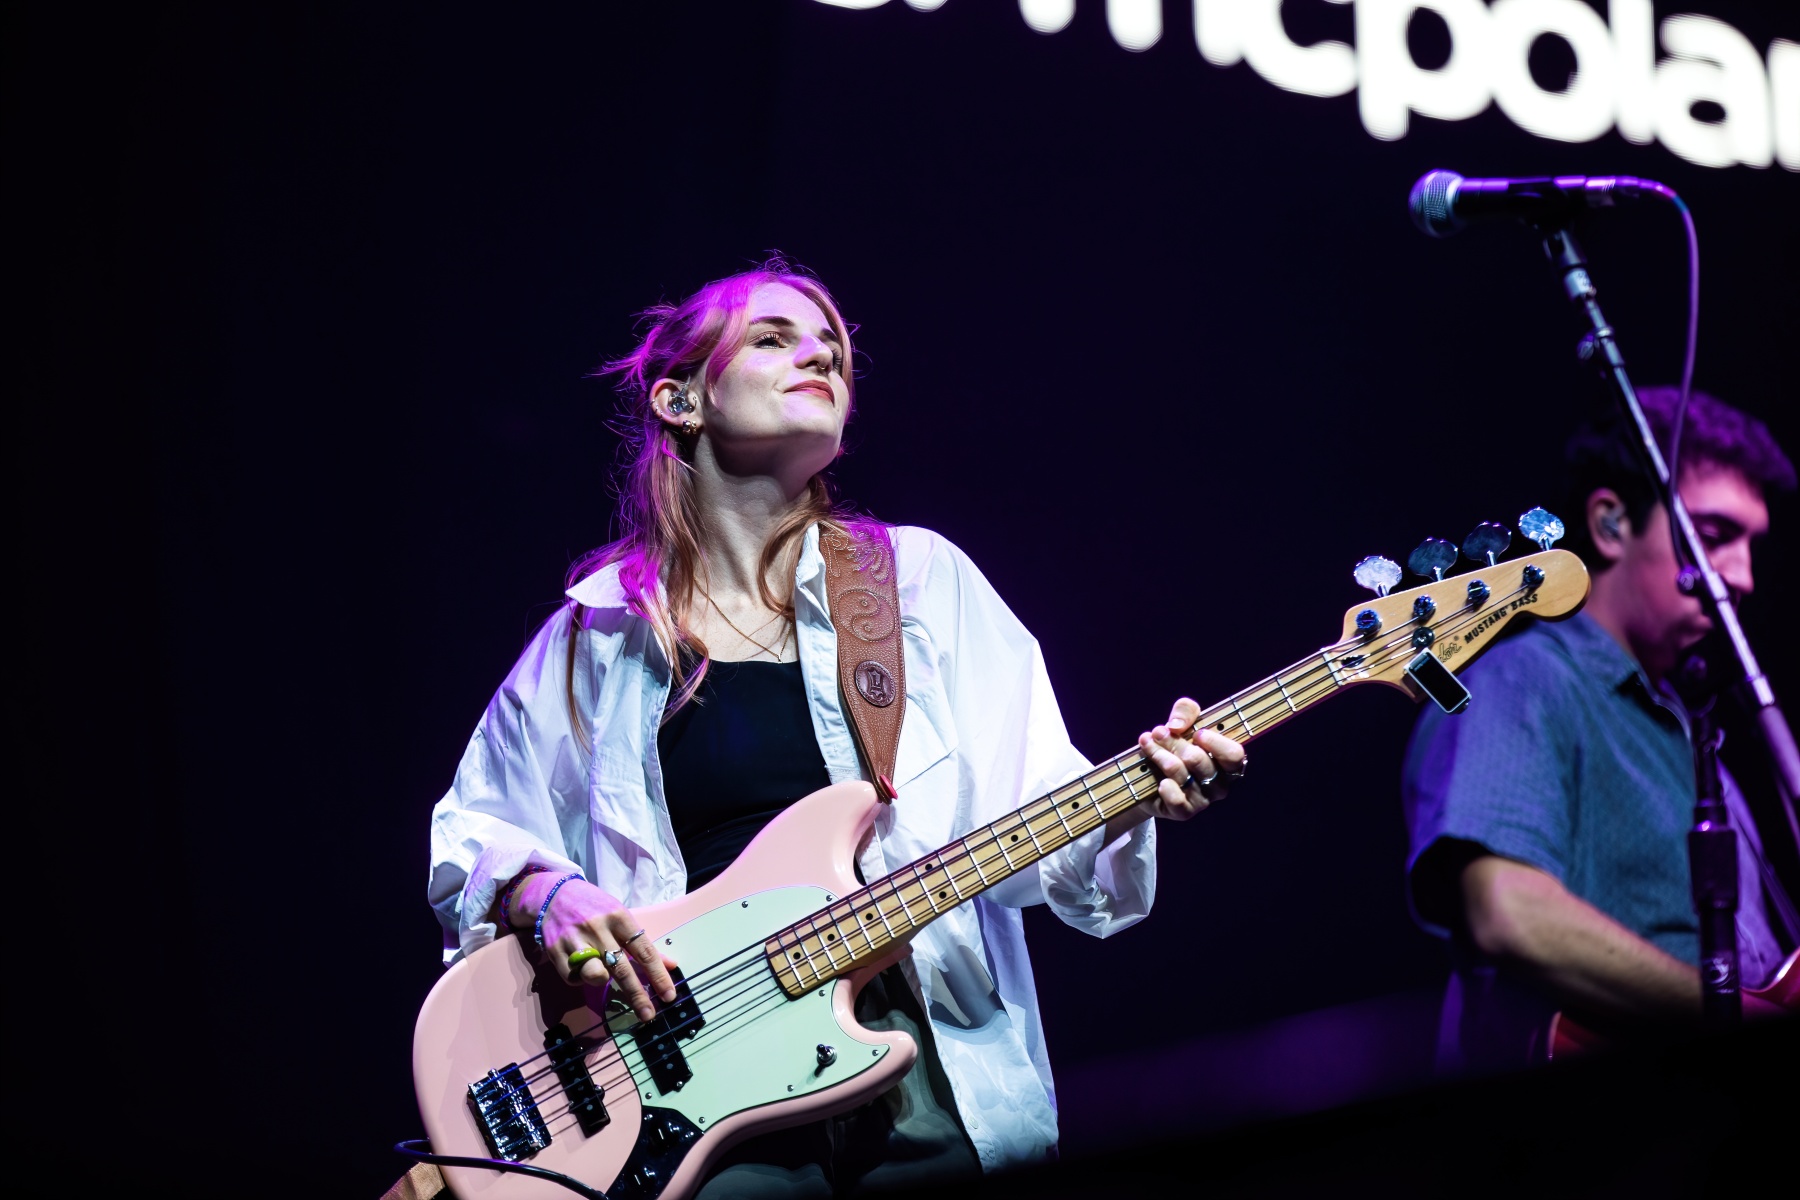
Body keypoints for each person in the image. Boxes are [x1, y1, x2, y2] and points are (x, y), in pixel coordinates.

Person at [428, 260, 1247, 1193]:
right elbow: (475, 830)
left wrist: (1135, 798)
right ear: (680, 399)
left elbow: (1038, 818)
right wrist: (545, 895)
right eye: (773, 338)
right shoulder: (596, 636)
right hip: (687, 1101)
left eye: (834, 349)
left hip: (910, 1068)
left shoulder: (918, 584)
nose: (819, 355)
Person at [1402, 386, 1799, 1072]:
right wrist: (1734, 1018)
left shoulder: (1685, 727)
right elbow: (1507, 911)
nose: (1742, 576)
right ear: (1611, 524)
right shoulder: (1523, 680)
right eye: (1713, 537)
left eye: (1751, 545)